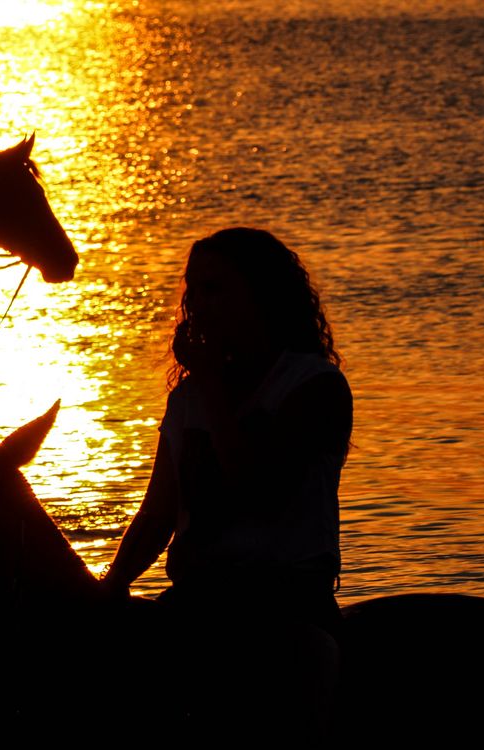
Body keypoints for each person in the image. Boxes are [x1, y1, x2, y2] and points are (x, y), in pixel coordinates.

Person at [103, 227, 352, 745]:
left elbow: (256, 490)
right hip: (197, 599)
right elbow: (157, 515)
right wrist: (109, 587)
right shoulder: (188, 398)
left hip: (286, 604)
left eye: (214, 288)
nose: (196, 303)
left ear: (261, 295)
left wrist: (213, 384)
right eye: (191, 289)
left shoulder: (313, 387)